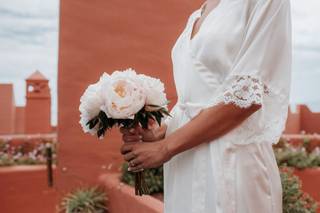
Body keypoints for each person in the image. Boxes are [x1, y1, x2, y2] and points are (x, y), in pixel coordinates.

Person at [120, 0, 292, 212]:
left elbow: (247, 95)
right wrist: (160, 133)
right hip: (184, 161)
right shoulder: (200, 12)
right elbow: (196, 96)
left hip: (231, 158)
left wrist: (165, 147)